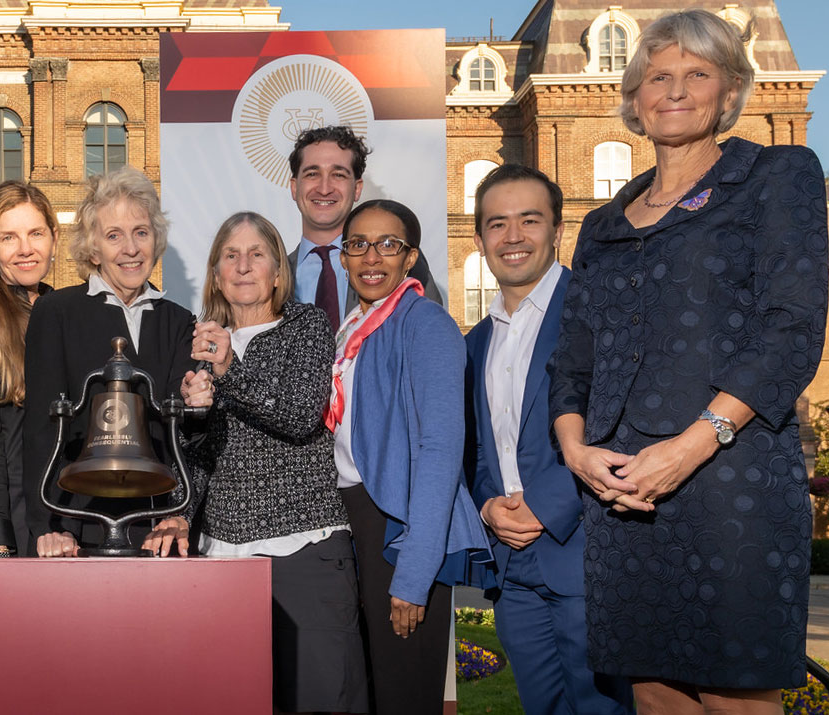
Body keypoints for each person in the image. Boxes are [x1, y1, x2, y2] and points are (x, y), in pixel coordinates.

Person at [550, 9, 828, 715]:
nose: (674, 89)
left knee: (734, 697)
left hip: (729, 481)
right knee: (654, 693)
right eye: (657, 75)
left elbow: (790, 332)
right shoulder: (602, 223)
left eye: (695, 73)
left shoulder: (774, 174)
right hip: (621, 493)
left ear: (729, 87)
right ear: (634, 96)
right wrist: (575, 450)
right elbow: (571, 357)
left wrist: (691, 444)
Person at [179, 211, 368, 715]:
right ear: (216, 273)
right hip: (222, 554)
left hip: (302, 548)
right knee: (233, 701)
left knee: (318, 699)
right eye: (230, 255)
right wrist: (194, 416)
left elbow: (301, 415)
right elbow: (203, 459)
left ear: (279, 273)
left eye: (256, 254)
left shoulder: (306, 326)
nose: (243, 266)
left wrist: (228, 372)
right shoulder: (201, 346)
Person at [464, 164, 632, 715]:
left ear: (558, 230)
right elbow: (478, 446)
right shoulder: (476, 341)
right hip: (511, 564)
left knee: (605, 708)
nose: (513, 237)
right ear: (480, 237)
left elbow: (620, 421)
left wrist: (543, 505)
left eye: (529, 220)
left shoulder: (597, 311)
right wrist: (489, 505)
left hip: (587, 550)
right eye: (497, 223)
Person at [332, 198, 492, 715]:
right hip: (354, 519)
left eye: (388, 245)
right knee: (373, 690)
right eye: (358, 244)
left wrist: (415, 572)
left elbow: (441, 452)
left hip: (402, 530)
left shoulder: (426, 324)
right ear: (342, 257)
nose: (372, 257)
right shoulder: (351, 330)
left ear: (410, 257)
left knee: (405, 694)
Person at [23, 166, 196, 557]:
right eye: (113, 236)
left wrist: (180, 514)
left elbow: (184, 436)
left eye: (141, 232)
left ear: (156, 239)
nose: (130, 249)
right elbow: (40, 429)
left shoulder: (179, 321)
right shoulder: (56, 312)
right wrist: (48, 525)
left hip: (159, 527)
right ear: (93, 247)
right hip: (75, 524)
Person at [0, 182, 59, 558]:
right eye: (8, 237)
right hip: (16, 517)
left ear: (54, 237)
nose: (25, 249)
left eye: (36, 233)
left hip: (72, 513)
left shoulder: (67, 312)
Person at [286, 125, 440, 333]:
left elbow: (430, 334)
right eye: (312, 173)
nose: (324, 188)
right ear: (295, 187)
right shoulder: (271, 274)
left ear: (357, 189)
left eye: (338, 175)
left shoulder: (399, 262)